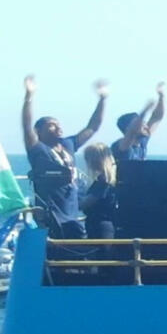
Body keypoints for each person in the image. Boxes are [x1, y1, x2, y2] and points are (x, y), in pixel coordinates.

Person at [21, 75, 107, 239]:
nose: (58, 127)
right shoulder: (38, 150)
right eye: (51, 125)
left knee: (77, 248)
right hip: (51, 216)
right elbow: (26, 126)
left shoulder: (68, 144)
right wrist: (29, 96)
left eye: (58, 124)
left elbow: (93, 127)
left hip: (71, 214)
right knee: (55, 249)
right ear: (39, 131)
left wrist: (102, 99)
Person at [110, 81, 166, 166]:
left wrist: (161, 97)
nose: (146, 126)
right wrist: (144, 111)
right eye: (142, 123)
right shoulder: (121, 146)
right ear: (127, 128)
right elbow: (132, 131)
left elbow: (156, 118)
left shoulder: (142, 142)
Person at [80, 142, 120, 239]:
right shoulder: (112, 179)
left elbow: (84, 204)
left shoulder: (103, 182)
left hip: (101, 228)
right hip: (105, 226)